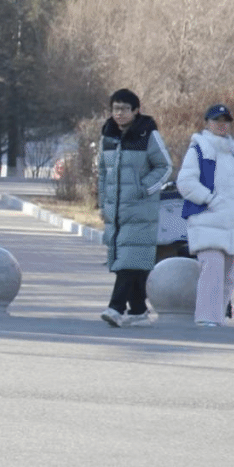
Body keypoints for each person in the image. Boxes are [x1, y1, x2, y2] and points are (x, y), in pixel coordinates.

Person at [177, 103, 234, 327]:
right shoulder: (199, 148)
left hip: (233, 223)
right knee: (211, 271)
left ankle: (217, 319)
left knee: (228, 276)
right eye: (217, 121)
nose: (222, 125)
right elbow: (185, 182)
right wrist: (210, 199)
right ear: (207, 123)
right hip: (208, 221)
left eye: (225, 121)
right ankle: (206, 318)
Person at [97, 89, 172, 328]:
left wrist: (144, 188)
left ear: (136, 110)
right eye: (115, 109)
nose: (119, 113)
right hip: (116, 211)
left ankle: (115, 308)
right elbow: (102, 172)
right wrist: (103, 202)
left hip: (140, 210)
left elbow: (165, 167)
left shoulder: (147, 134)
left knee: (127, 261)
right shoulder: (108, 135)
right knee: (131, 261)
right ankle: (138, 311)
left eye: (124, 109)